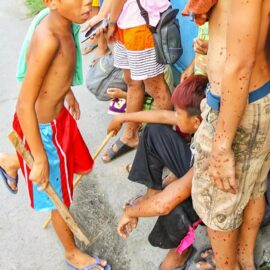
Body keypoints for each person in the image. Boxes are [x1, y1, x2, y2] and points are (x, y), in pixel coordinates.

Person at [1, 1, 111, 269]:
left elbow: (50, 73)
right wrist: (38, 157)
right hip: (41, 130)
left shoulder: (68, 23)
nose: (88, 1)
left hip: (58, 118)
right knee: (58, 195)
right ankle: (72, 252)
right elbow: (24, 105)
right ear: (51, 2)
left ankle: (11, 162)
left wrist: (66, 91)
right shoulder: (47, 38)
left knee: (76, 168)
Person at [183, 0, 270, 269]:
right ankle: (244, 259)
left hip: (237, 108)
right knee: (253, 188)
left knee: (218, 208)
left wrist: (221, 147)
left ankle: (228, 266)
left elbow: (241, 64)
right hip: (255, 98)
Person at [107, 75, 208, 269]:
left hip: (223, 199)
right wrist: (123, 117)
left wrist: (131, 212)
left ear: (196, 121)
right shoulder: (203, 120)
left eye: (178, 114)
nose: (174, 117)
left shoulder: (209, 151)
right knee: (154, 132)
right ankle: (151, 193)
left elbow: (164, 205)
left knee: (178, 204)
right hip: (198, 171)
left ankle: (181, 251)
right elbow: (163, 116)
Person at [84, 0, 173, 163]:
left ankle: (162, 148)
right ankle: (130, 135)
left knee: (156, 88)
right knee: (131, 81)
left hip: (141, 23)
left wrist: (108, 19)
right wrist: (105, 17)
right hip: (124, 20)